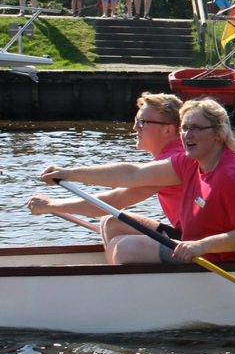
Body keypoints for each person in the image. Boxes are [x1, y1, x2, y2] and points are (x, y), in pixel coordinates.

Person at [38, 98, 235, 264]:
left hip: (222, 258)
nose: (188, 135)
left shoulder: (231, 175)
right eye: (185, 128)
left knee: (124, 249)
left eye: (196, 128)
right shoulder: (190, 162)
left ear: (218, 134)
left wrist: (202, 245)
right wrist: (68, 173)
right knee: (112, 223)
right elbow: (132, 174)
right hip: (193, 242)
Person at [26, 92, 185, 247]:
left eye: (142, 122)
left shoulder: (174, 160)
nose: (135, 127)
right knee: (111, 223)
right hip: (187, 234)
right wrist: (52, 204)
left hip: (195, 242)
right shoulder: (170, 157)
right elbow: (114, 195)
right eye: (136, 120)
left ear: (168, 130)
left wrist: (52, 203)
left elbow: (117, 193)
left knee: (113, 224)